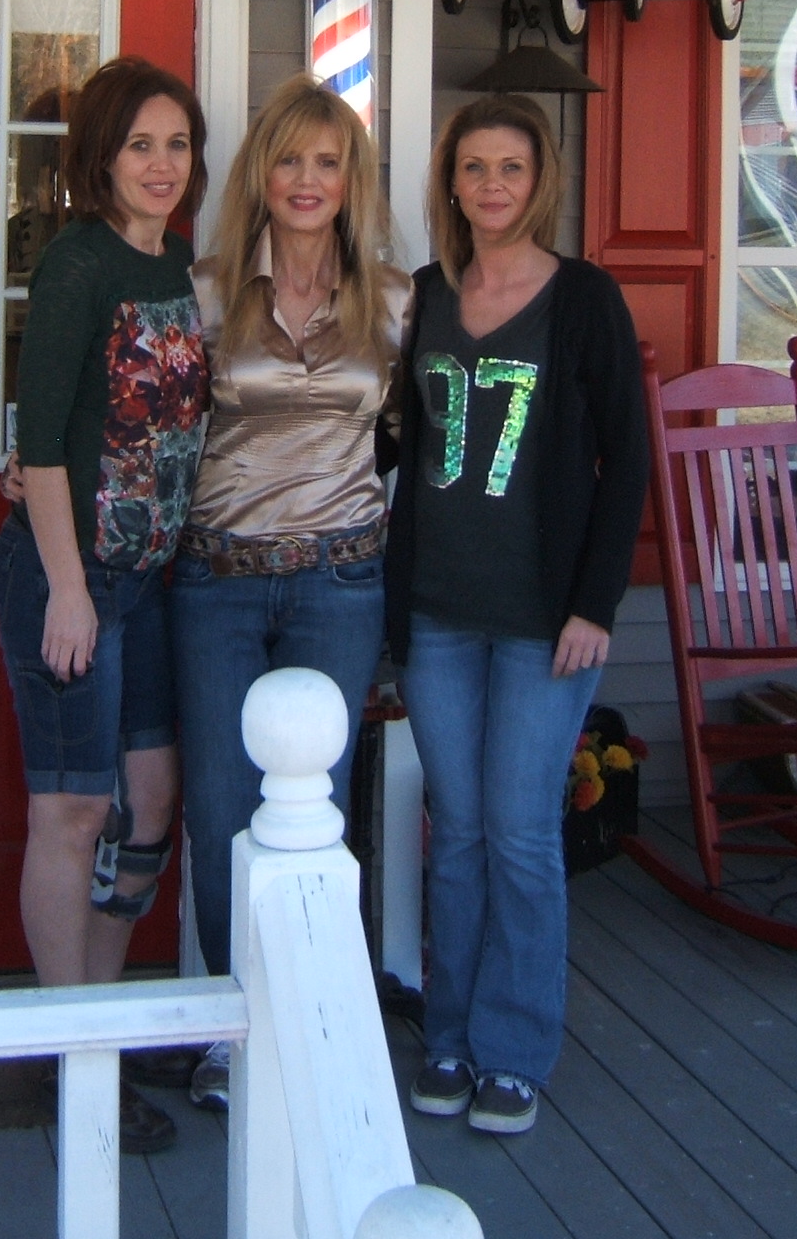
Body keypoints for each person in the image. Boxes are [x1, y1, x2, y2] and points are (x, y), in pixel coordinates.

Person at [387, 91, 649, 1137]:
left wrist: (596, 603)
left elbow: (628, 458)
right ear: (450, 184)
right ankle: (448, 1035)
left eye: (512, 168)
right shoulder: (423, 297)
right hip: (439, 614)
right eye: (474, 167)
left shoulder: (584, 299)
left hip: (546, 621)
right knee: (455, 833)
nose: (492, 185)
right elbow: (384, 439)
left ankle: (513, 1049)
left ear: (539, 183)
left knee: (523, 835)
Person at [170, 75, 411, 1110]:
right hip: (217, 583)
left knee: (320, 812)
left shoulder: (394, 300)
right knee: (224, 808)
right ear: (259, 175)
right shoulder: (207, 292)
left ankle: (311, 1023)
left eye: (328, 161)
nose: (307, 181)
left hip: (340, 585)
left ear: (352, 179)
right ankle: (238, 1033)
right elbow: (148, 430)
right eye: (288, 160)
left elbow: (416, 438)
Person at [0, 56, 209, 1153]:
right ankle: (70, 1055)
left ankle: (102, 1025)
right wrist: (69, 591)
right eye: (139, 146)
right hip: (69, 580)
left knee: (152, 806)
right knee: (71, 815)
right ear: (102, 159)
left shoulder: (177, 264)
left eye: (177, 145)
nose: (161, 165)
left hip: (150, 580)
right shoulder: (79, 264)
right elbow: (38, 443)